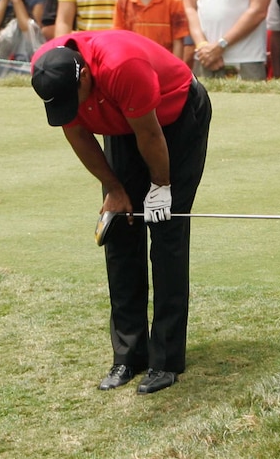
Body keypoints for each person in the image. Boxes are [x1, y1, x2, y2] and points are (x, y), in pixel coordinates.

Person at [30, 30, 212, 394]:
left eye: (73, 100)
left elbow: (149, 134)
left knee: (165, 233)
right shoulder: (50, 70)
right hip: (122, 119)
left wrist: (161, 188)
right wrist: (114, 189)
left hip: (173, 118)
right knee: (121, 229)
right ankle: (129, 355)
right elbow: (77, 134)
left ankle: (165, 360)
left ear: (84, 76)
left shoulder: (121, 66)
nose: (70, 109)